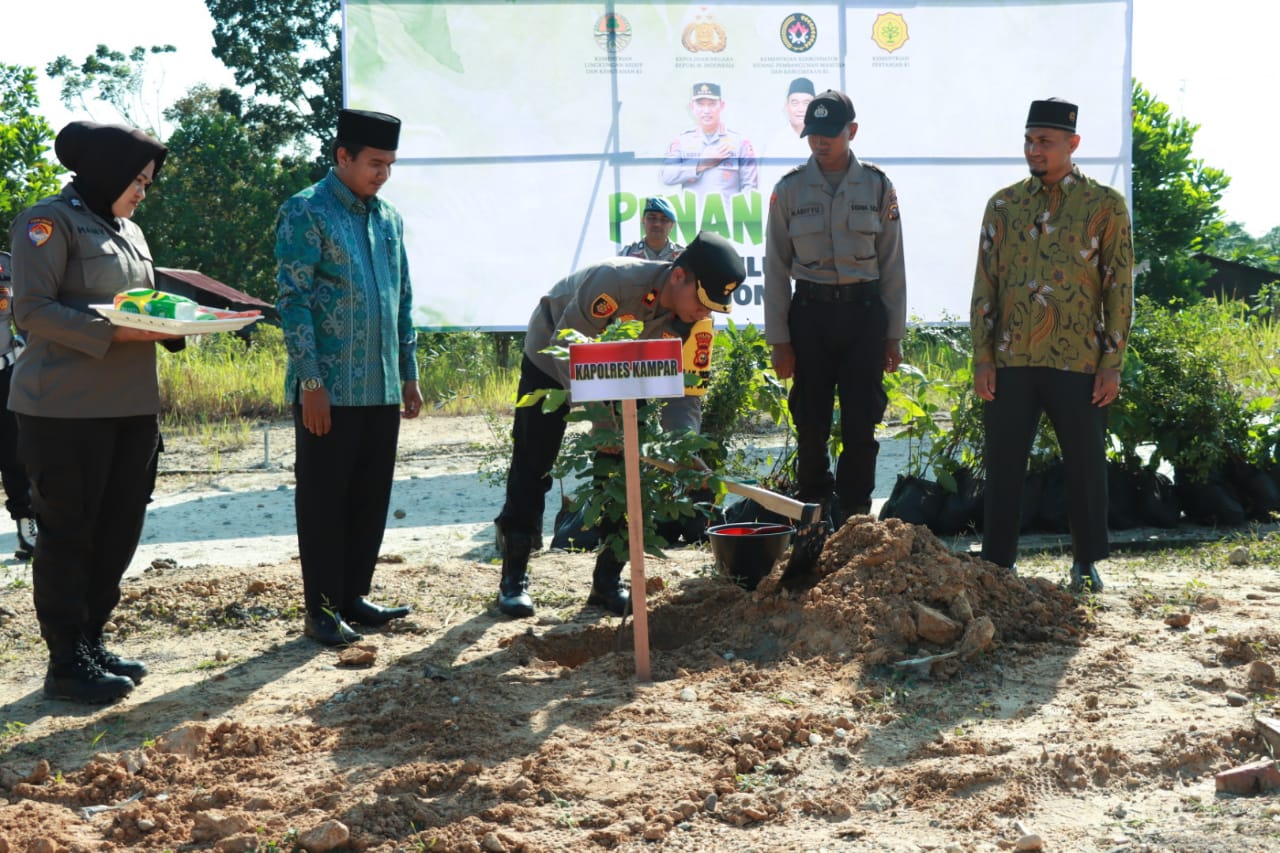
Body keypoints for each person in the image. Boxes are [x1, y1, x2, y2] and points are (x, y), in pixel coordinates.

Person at [9, 120, 179, 704]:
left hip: (132, 405)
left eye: (147, 182)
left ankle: (91, 638)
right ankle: (65, 662)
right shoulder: (46, 221)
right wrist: (117, 332)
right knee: (67, 532)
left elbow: (142, 302)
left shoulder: (129, 229)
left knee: (119, 528)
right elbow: (31, 310)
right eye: (136, 178)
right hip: (63, 409)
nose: (141, 191)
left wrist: (179, 321)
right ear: (105, 171)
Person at [494, 231, 745, 619]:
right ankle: (514, 577)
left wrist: (686, 454)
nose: (704, 312)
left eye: (713, 307)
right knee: (534, 462)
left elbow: (685, 395)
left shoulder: (697, 323)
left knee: (627, 472)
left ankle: (607, 581)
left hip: (631, 373)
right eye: (701, 300)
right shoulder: (615, 282)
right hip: (552, 358)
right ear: (678, 276)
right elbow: (566, 347)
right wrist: (600, 419)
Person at [970, 98, 1133, 593]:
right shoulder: (1003, 204)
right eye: (1029, 140)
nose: (1033, 149)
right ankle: (999, 564)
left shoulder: (1104, 205)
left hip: (1078, 356)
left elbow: (1118, 287)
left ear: (1072, 144)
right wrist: (982, 356)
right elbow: (986, 285)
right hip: (1011, 356)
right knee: (1003, 463)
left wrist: (1112, 363)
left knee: (1085, 464)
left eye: (1045, 141)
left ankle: (1086, 562)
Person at [275, 108, 423, 647]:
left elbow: (402, 300)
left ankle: (355, 597)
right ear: (343, 156)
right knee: (324, 500)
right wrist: (311, 383)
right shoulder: (306, 211)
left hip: (381, 385)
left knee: (369, 497)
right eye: (374, 163)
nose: (382, 174)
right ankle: (321, 611)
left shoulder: (389, 220)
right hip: (329, 391)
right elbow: (292, 302)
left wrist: (408, 373)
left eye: (389, 164)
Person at [764, 90, 907, 526]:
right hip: (811, 317)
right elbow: (775, 269)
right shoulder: (788, 190)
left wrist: (893, 336)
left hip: (864, 317)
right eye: (813, 134)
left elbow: (892, 265)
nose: (819, 143)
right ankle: (814, 514)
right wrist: (780, 341)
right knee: (811, 422)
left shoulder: (878, 186)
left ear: (852, 132)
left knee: (861, 424)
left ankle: (856, 516)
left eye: (829, 134)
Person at [0, 252, 37, 560]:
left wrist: (24, 345)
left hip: (4, 373)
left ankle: (26, 528)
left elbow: (29, 310)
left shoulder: (8, 263)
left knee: (15, 453)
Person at [661, 83, 758, 196]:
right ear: (692, 107)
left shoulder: (740, 143)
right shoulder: (681, 142)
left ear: (721, 106)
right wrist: (701, 164)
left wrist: (741, 213)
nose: (706, 110)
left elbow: (750, 188)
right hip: (692, 213)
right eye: (701, 104)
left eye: (712, 104)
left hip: (728, 213)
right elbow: (667, 177)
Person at [619, 196, 684, 261]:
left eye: (664, 219)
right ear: (643, 220)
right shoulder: (627, 254)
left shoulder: (682, 255)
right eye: (652, 218)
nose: (657, 224)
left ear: (672, 225)